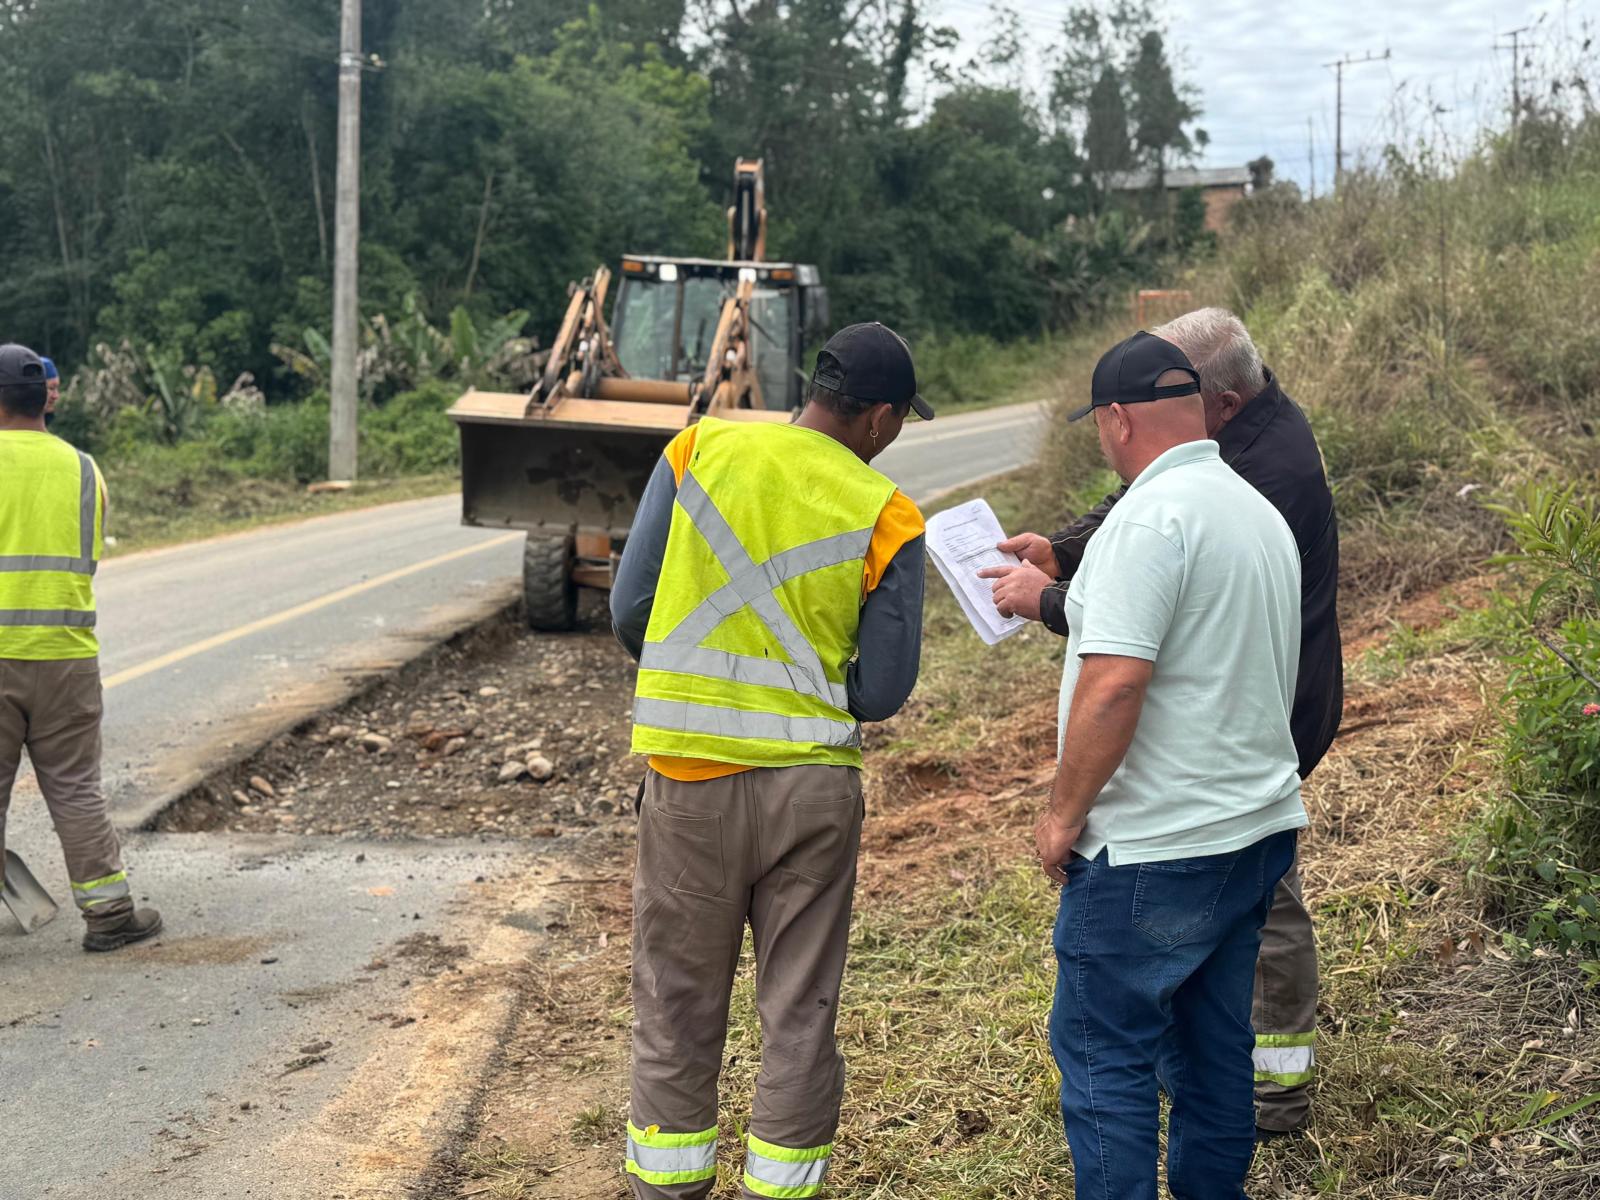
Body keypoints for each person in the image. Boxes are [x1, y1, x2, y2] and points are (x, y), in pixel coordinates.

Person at [985, 307, 1336, 1135]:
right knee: (1227, 932)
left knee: (1256, 899)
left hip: (1251, 713)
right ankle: (1225, 1087)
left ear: (1211, 401)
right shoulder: (1218, 461)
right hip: (1239, 706)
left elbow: (1135, 649)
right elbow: (1138, 512)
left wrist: (1053, 600)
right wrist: (1066, 550)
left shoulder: (1271, 470)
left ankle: (1277, 1087)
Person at [610, 322, 931, 1200]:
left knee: (676, 1001)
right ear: (880, 419)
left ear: (815, 390)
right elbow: (882, 691)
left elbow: (631, 611)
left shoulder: (695, 451)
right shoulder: (888, 513)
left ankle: (668, 1188)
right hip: (813, 797)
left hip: (690, 787)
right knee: (798, 1009)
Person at [0, 344, 162, 952]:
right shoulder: (84, 468)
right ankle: (111, 915)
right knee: (72, 786)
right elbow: (86, 560)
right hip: (63, 654)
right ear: (45, 396)